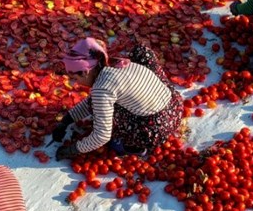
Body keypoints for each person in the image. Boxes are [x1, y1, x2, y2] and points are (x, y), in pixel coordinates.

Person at [50, 37, 182, 160]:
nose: (74, 83)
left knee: (107, 120)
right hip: (174, 106)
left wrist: (73, 149)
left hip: (157, 129)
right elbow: (93, 102)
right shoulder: (116, 64)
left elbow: (102, 136)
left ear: (85, 72)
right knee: (102, 101)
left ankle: (134, 147)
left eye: (75, 78)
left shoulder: (102, 89)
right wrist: (67, 120)